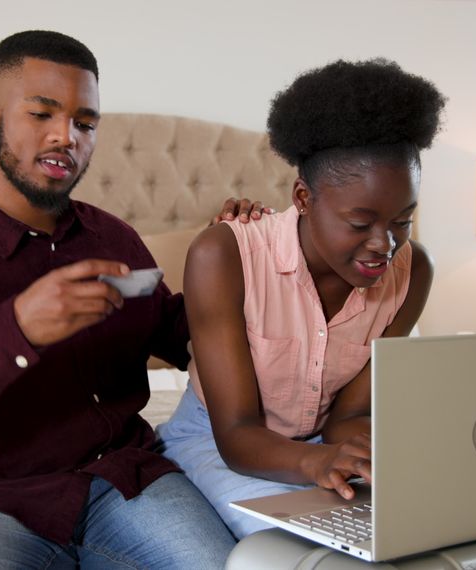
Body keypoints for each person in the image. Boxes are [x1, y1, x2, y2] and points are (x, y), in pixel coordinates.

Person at [0, 30, 266, 569]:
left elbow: (187, 338)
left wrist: (231, 263)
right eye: (42, 114)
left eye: (85, 122)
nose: (66, 136)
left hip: (129, 480)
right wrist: (17, 329)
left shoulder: (115, 239)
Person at [157, 58, 446, 538]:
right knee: (305, 547)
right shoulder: (223, 255)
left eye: (403, 221)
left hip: (319, 445)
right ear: (304, 198)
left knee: (420, 529)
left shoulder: (414, 273)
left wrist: (387, 454)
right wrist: (318, 462)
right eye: (360, 223)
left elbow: (349, 416)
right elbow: (236, 434)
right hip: (217, 441)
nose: (385, 245)